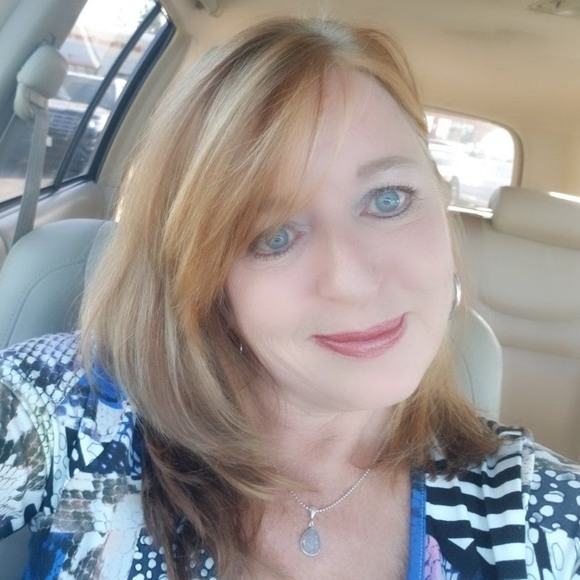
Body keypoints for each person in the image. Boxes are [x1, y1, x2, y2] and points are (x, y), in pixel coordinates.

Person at [0, 16, 579, 580]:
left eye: (388, 199)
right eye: (272, 236)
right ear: (208, 281)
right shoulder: (78, 415)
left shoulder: (536, 514)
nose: (351, 281)